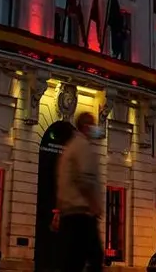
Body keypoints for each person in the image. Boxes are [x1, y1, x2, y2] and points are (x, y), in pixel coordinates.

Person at [55, 113, 104, 272]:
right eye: (93, 125)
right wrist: (94, 205)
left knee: (71, 262)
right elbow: (85, 179)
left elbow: (63, 183)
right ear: (86, 126)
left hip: (69, 215)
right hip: (82, 214)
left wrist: (57, 213)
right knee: (95, 258)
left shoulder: (69, 148)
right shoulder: (83, 146)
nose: (96, 129)